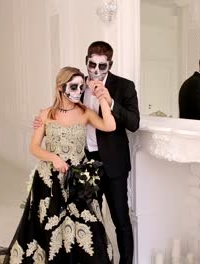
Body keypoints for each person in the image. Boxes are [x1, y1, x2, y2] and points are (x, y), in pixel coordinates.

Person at [0, 66, 116, 264]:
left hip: (79, 178)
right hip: (50, 178)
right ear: (60, 87)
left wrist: (102, 99)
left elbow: (110, 126)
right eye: (73, 86)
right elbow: (34, 147)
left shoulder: (86, 113)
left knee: (87, 223)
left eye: (81, 87)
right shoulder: (45, 114)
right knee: (50, 225)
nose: (78, 91)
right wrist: (54, 158)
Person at [34, 41, 140, 264]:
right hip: (81, 163)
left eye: (103, 66)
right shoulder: (78, 85)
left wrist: (108, 100)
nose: (97, 71)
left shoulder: (125, 86)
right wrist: (44, 122)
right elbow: (64, 108)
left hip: (113, 163)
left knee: (120, 218)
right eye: (93, 65)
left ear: (110, 65)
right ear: (87, 62)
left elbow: (133, 123)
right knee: (88, 217)